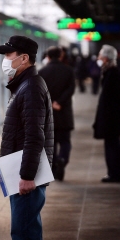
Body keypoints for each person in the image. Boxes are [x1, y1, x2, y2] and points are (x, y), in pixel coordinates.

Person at [0, 36, 53, 240]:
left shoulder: (29, 87)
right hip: (21, 170)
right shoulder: (26, 85)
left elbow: (34, 136)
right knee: (27, 231)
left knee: (24, 233)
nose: (6, 60)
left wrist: (27, 175)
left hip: (25, 174)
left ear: (24, 58)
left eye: (10, 54)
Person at [93, 45, 120, 183]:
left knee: (113, 146)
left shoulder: (113, 74)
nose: (98, 58)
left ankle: (115, 174)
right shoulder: (110, 72)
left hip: (112, 118)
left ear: (105, 58)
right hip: (111, 117)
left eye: (100, 56)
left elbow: (114, 98)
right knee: (112, 145)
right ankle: (113, 172)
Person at [39, 46, 75, 181]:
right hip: (64, 111)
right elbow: (71, 89)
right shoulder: (68, 70)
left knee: (51, 142)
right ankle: (63, 159)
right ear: (61, 55)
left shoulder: (42, 71)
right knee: (65, 141)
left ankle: (54, 167)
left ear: (47, 56)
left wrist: (51, 103)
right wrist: (59, 102)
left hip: (48, 114)